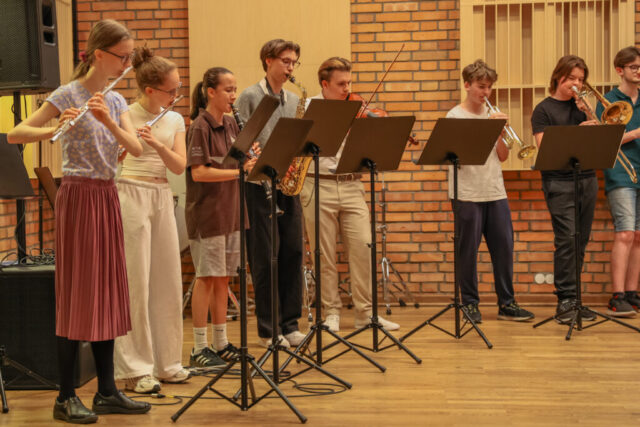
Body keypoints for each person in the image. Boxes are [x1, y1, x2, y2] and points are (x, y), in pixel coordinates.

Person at [7, 19, 150, 424]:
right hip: (78, 196)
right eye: (122, 57)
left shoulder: (116, 100)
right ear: (99, 55)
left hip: (106, 194)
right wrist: (55, 128)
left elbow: (136, 148)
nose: (126, 64)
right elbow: (16, 134)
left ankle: (107, 391)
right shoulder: (66, 93)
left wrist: (108, 121)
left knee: (107, 291)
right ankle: (65, 396)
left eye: (129, 57)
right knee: (77, 295)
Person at [299, 57, 400, 332]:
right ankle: (331, 312)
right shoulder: (309, 108)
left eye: (349, 83)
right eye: (341, 84)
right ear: (325, 84)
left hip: (352, 183)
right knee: (323, 254)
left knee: (364, 247)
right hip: (318, 183)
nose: (347, 89)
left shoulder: (356, 108)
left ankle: (365, 313)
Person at [113, 46, 190, 394]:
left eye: (178, 88)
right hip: (130, 193)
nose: (176, 95)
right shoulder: (125, 114)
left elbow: (179, 166)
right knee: (136, 282)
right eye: (171, 90)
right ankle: (135, 368)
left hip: (161, 195)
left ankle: (167, 362)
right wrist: (129, 141)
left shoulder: (174, 120)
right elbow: (119, 157)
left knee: (167, 280)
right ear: (149, 89)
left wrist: (157, 145)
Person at [446, 59, 535, 324]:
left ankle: (507, 303)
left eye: (489, 87)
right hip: (466, 192)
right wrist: (486, 129)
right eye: (481, 87)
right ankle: (469, 304)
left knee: (504, 249)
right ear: (467, 85)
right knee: (468, 252)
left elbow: (503, 156)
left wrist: (500, 130)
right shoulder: (455, 116)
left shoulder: (492, 114)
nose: (486, 92)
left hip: (495, 190)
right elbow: (461, 155)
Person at [186, 67, 259, 366]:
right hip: (208, 214)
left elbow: (238, 162)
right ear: (211, 92)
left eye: (235, 89)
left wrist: (251, 158)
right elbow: (199, 173)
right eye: (228, 90)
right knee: (206, 278)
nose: (233, 95)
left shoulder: (231, 124)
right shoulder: (199, 127)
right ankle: (198, 348)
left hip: (232, 211)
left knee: (223, 279)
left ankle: (221, 342)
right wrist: (239, 172)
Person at [236, 39, 306, 348]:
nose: (290, 67)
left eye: (293, 62)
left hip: (288, 184)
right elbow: (240, 139)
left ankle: (290, 324)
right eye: (285, 61)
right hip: (258, 186)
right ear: (268, 60)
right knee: (265, 258)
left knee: (292, 253)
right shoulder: (250, 96)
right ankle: (269, 329)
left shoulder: (294, 100)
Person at [531, 55, 599, 324]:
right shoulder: (543, 110)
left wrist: (589, 113)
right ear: (559, 77)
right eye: (572, 78)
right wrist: (579, 131)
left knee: (580, 240)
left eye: (581, 79)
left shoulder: (583, 108)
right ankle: (565, 300)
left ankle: (576, 298)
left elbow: (601, 139)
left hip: (587, 178)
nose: (577, 84)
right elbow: (545, 148)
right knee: (567, 240)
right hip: (558, 182)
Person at [596, 46, 640, 317]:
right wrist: (635, 133)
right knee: (625, 233)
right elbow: (604, 141)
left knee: (639, 236)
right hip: (621, 173)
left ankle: (633, 293)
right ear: (619, 70)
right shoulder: (609, 101)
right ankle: (618, 295)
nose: (639, 71)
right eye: (634, 67)